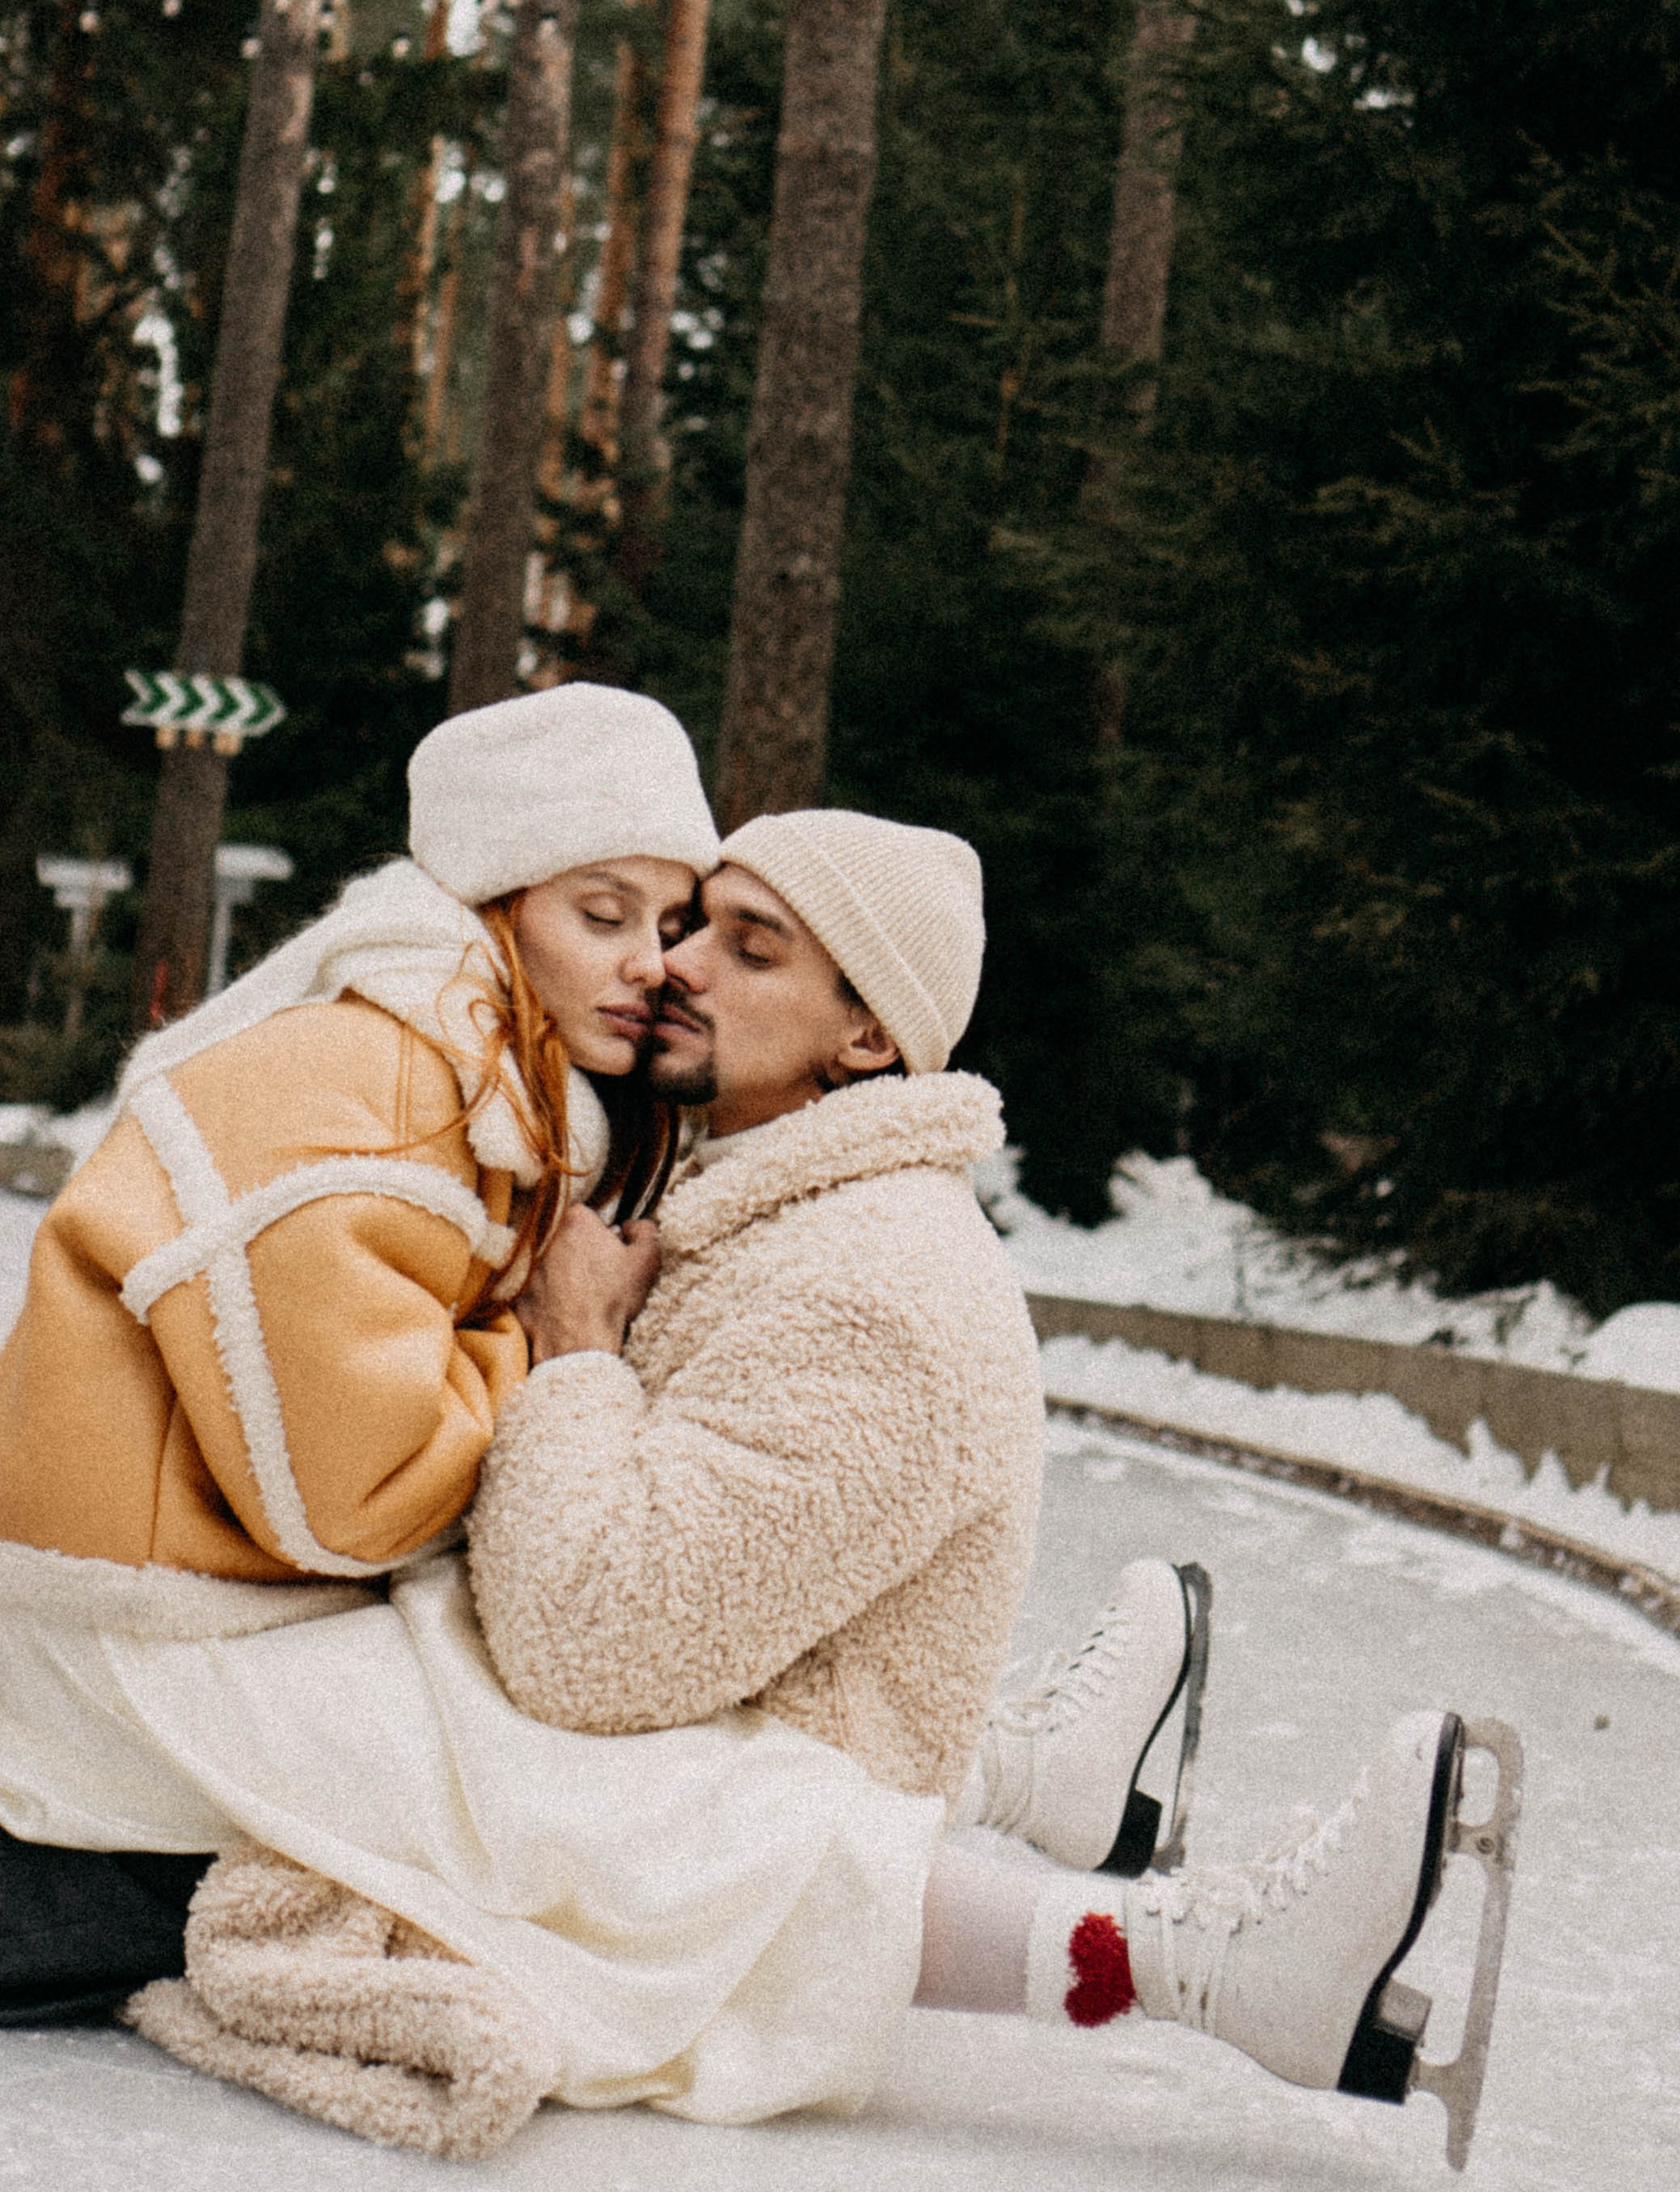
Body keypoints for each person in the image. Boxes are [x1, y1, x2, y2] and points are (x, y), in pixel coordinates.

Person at [94, 809, 1486, 2159]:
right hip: (716, 1690)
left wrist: (577, 1350)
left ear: (869, 1033)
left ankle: (1220, 1960)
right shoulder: (760, 1202)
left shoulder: (874, 1290)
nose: (676, 963)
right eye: (695, 926)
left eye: (750, 951)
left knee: (264, 1707)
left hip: (745, 1763)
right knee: (258, 1679)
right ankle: (1042, 1780)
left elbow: (589, 1646)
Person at [0, 681, 718, 2030]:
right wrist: (565, 1345)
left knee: (586, 1763)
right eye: (601, 912)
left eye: (672, 925)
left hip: (210, 1600)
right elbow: (360, 1493)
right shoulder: (384, 1082)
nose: (651, 965)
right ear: (498, 908)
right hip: (139, 1640)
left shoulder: (483, 1086)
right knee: (562, 1807)